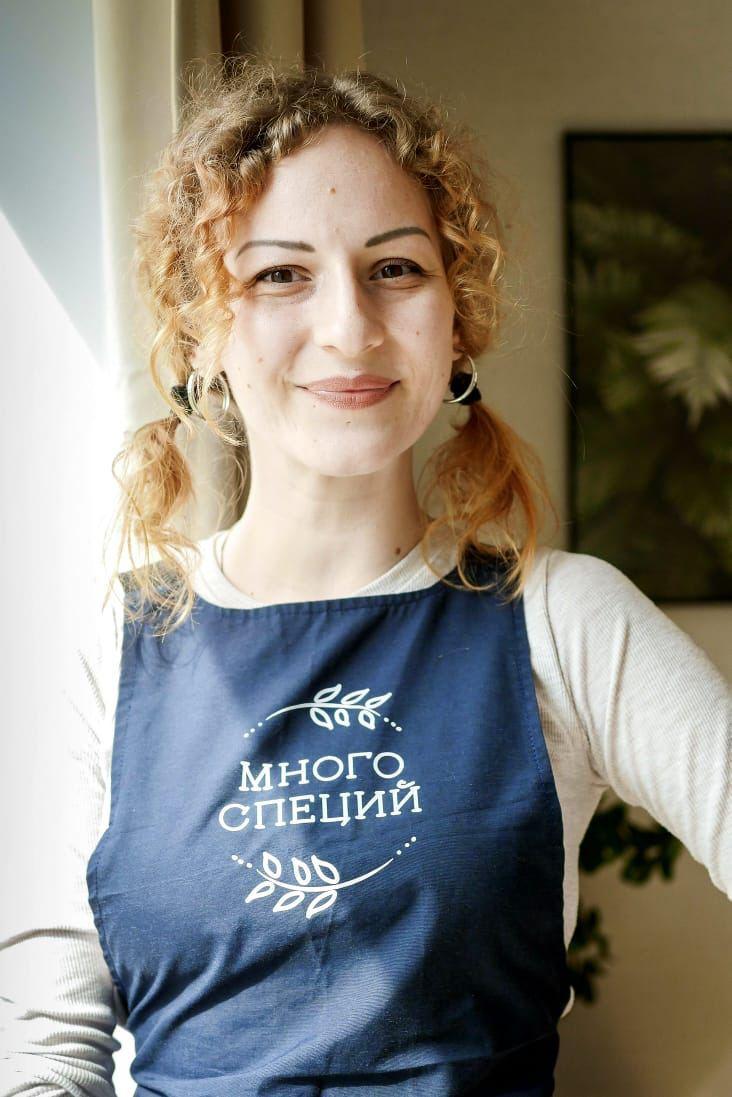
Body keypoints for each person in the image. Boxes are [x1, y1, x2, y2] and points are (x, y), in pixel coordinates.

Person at [1, 55, 730, 1097]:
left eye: (395, 267)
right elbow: (43, 1048)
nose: (349, 326)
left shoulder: (561, 618)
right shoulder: (109, 648)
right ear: (200, 333)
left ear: (455, 319)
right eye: (279, 274)